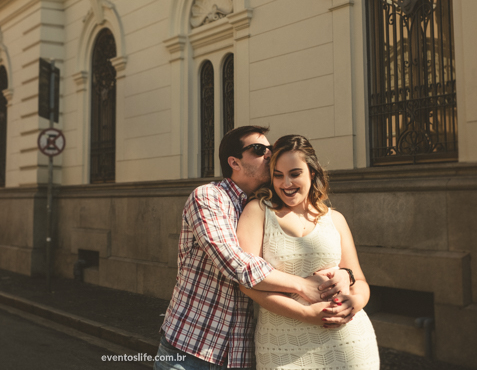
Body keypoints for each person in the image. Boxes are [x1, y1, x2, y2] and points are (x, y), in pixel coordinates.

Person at [157, 126, 350, 370]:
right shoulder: (209, 197)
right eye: (259, 149)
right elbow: (236, 263)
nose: (269, 154)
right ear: (234, 162)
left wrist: (345, 274)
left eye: (270, 149)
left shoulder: (265, 206)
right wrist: (303, 285)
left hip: (240, 354)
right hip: (190, 348)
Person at [237, 134, 379, 369]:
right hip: (283, 347)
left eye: (295, 174)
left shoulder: (335, 219)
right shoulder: (258, 212)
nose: (286, 184)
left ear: (311, 173)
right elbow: (246, 283)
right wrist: (306, 315)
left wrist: (353, 303)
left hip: (349, 343)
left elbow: (360, 281)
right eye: (278, 175)